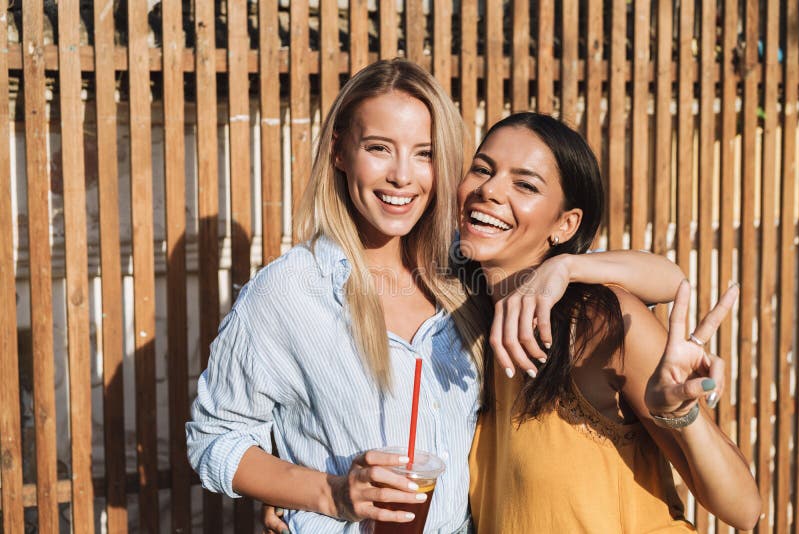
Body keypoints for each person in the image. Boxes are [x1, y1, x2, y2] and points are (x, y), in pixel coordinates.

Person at [187, 59, 685, 533]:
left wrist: (564, 267)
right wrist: (325, 492)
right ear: (339, 151)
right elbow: (214, 437)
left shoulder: (467, 269)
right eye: (379, 148)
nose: (403, 176)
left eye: (423, 153)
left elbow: (665, 277)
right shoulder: (288, 292)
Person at [465, 112, 761, 532]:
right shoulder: (466, 317)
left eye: (525, 184)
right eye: (482, 168)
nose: (489, 190)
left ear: (565, 224)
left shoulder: (595, 325)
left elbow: (744, 509)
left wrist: (684, 417)